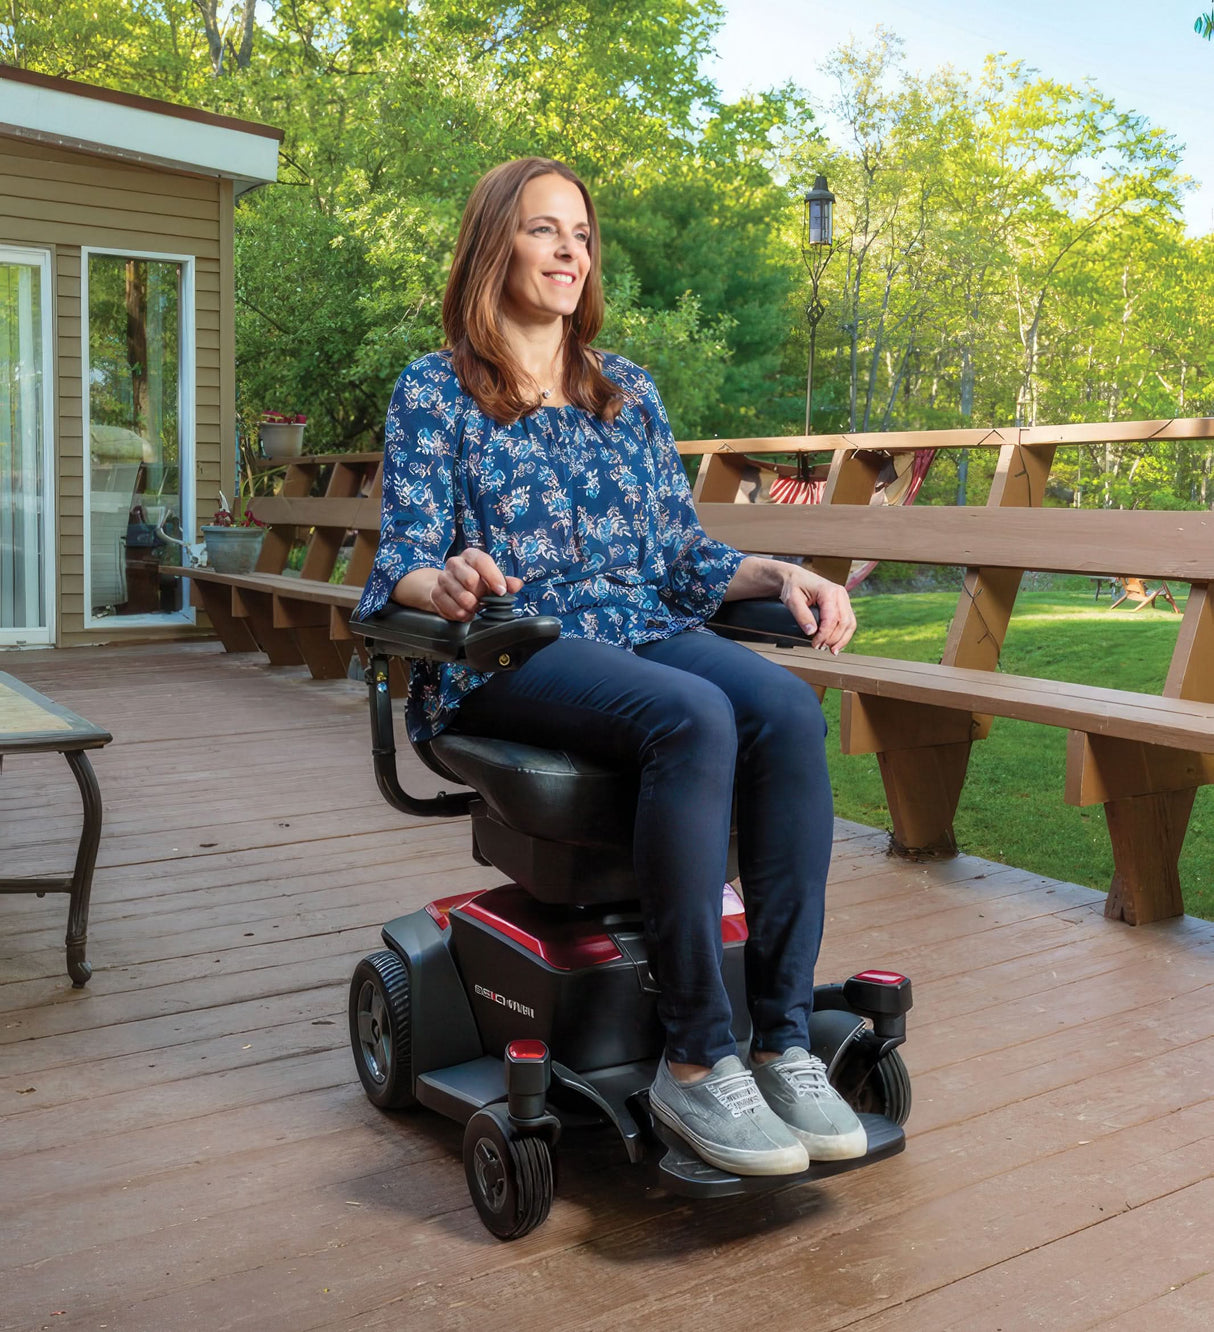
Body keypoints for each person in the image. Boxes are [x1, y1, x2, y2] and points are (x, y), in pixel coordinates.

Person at [356, 157, 864, 1176]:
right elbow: (401, 563)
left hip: (636, 628)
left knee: (781, 709)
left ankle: (780, 1041)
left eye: (580, 236)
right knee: (693, 717)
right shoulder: (435, 389)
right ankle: (694, 1063)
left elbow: (678, 558)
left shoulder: (624, 391)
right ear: (493, 241)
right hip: (511, 649)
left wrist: (780, 571)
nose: (569, 253)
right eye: (545, 230)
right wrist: (445, 582)